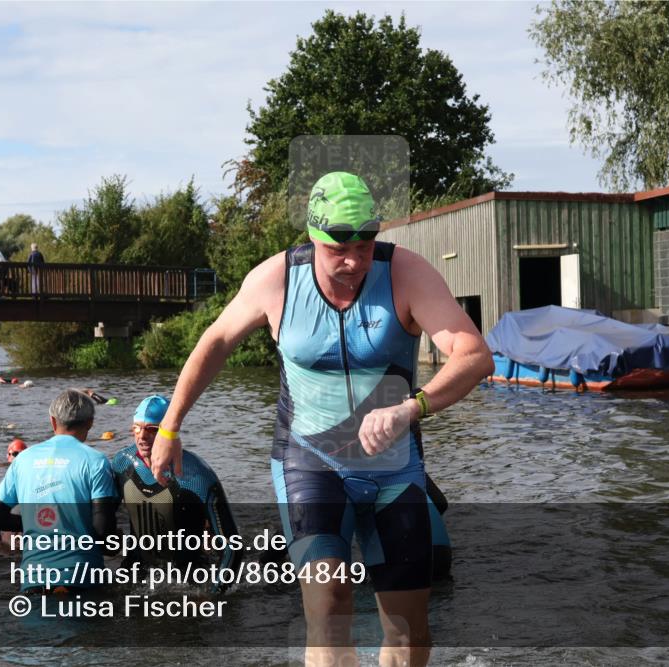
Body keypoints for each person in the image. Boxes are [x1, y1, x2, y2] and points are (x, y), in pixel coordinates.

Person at [148, 171, 493, 666]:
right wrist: (169, 428)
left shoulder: (406, 274)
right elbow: (217, 342)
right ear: (313, 237)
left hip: (394, 468)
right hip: (309, 461)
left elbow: (474, 355)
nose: (353, 261)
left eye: (365, 245)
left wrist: (410, 407)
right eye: (338, 248)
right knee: (328, 602)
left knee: (407, 624)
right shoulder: (277, 279)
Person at [0, 389, 116, 592]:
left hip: (35, 578)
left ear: (52, 421)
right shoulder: (96, 461)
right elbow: (103, 530)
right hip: (82, 577)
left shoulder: (23, 460)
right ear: (90, 423)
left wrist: (35, 523)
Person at [111, 395, 242, 593]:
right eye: (136, 428)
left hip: (189, 581)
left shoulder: (197, 475)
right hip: (138, 576)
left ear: (168, 432)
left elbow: (233, 546)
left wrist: (213, 594)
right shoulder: (122, 463)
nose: (141, 436)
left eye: (151, 429)